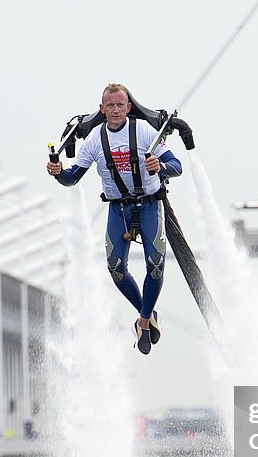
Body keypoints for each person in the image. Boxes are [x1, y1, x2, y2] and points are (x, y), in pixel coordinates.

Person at [46, 84, 183, 354]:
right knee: (115, 267)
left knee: (155, 264)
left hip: (149, 205)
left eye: (120, 105)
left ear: (128, 107)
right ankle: (148, 315)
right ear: (102, 109)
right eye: (110, 106)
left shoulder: (144, 132)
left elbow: (177, 167)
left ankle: (143, 321)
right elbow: (72, 178)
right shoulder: (95, 139)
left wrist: (161, 166)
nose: (116, 110)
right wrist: (58, 171)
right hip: (118, 209)